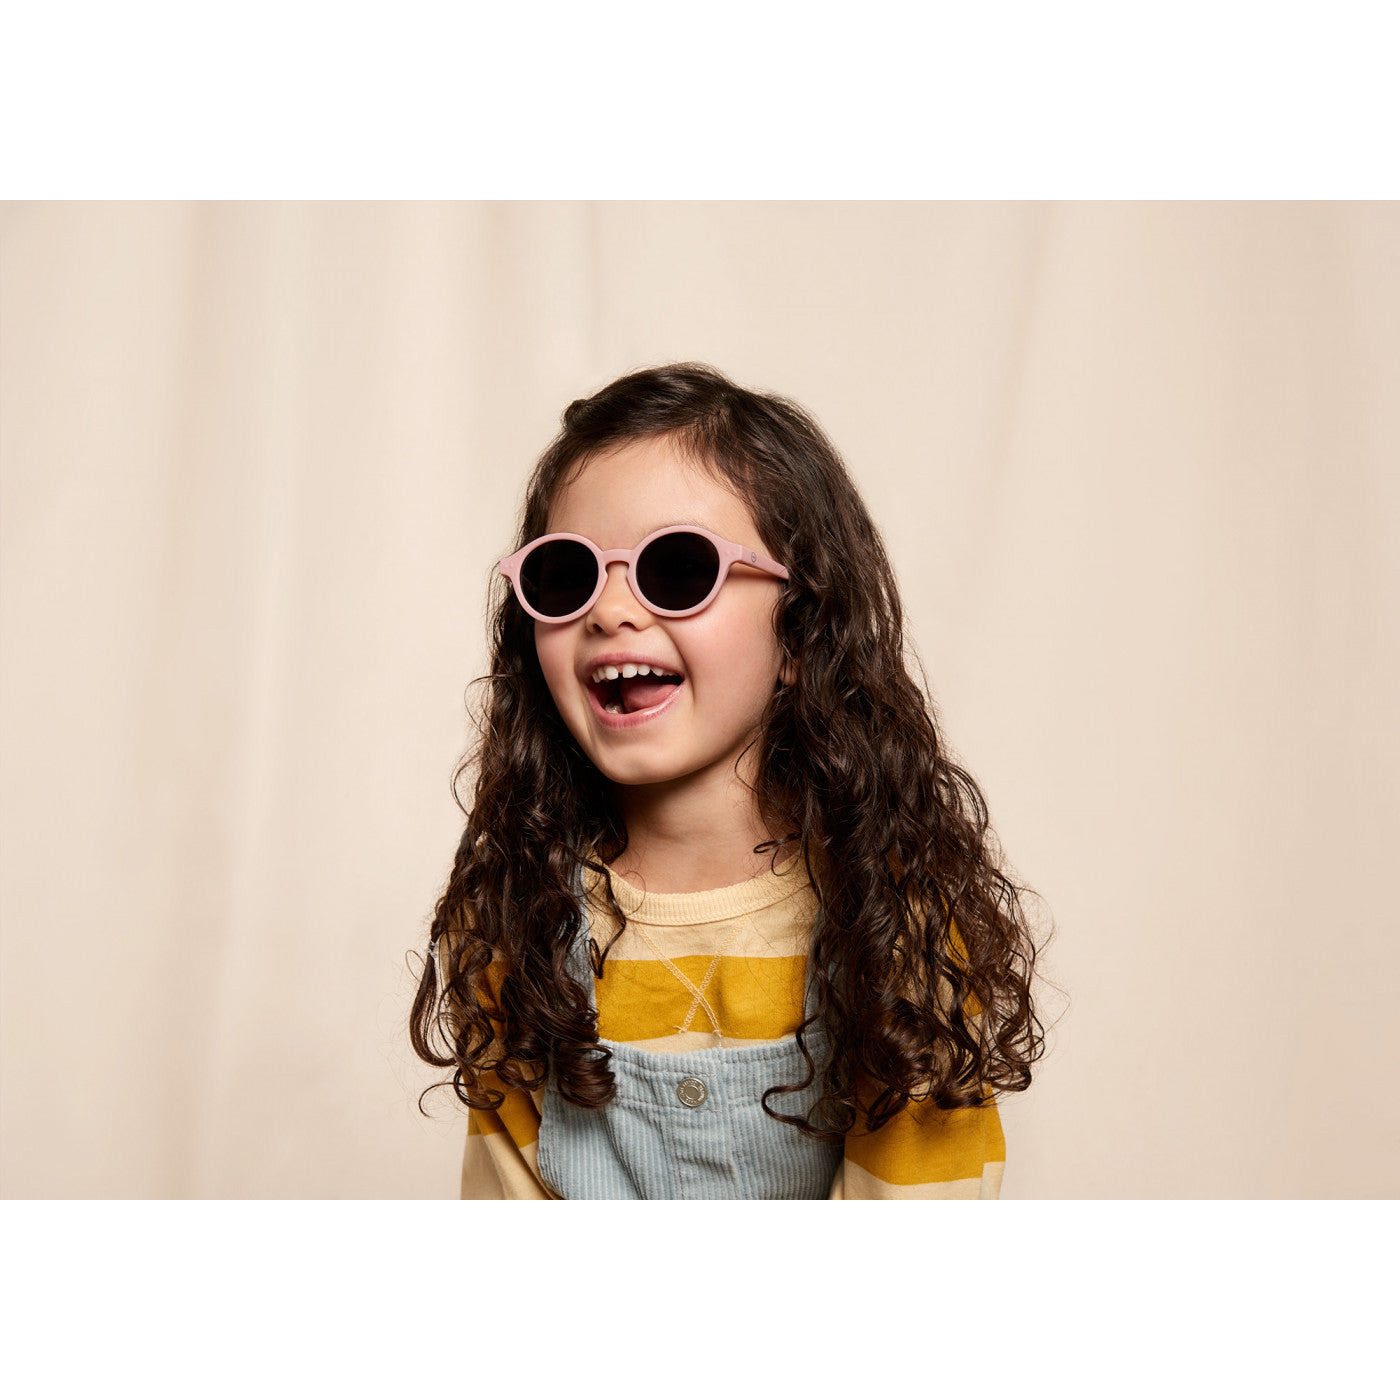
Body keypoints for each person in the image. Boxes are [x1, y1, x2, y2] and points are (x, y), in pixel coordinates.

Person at [410, 362, 1047, 1199]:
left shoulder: (890, 929)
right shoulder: (514, 922)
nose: (610, 612)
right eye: (566, 576)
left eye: (677, 569)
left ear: (802, 628)